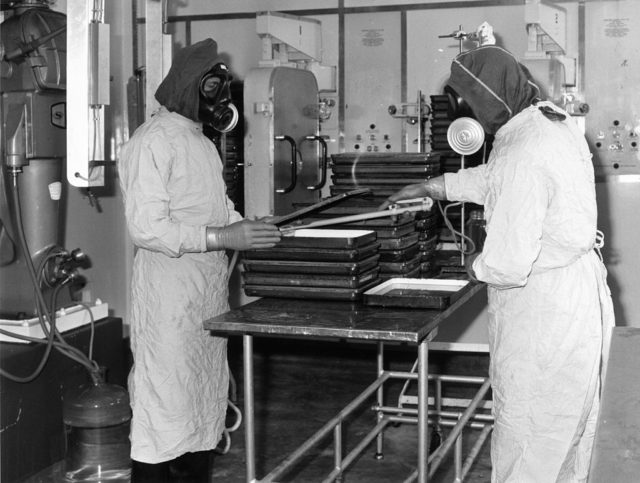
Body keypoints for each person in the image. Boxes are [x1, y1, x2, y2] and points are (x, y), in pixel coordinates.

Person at [381, 44, 615, 482]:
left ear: (480, 102)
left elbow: (507, 261)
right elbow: (497, 177)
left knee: (527, 440)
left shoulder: (524, 149)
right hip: (575, 302)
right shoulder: (546, 125)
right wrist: (435, 187)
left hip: (542, 315)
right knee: (566, 437)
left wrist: (470, 268)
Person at [118, 38, 281, 482]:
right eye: (214, 88)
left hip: (207, 298)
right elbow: (148, 229)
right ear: (196, 87)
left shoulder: (203, 143)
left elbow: (218, 208)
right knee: (162, 411)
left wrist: (247, 227)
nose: (222, 100)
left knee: (203, 404)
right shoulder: (151, 141)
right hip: (169, 299)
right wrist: (224, 235)